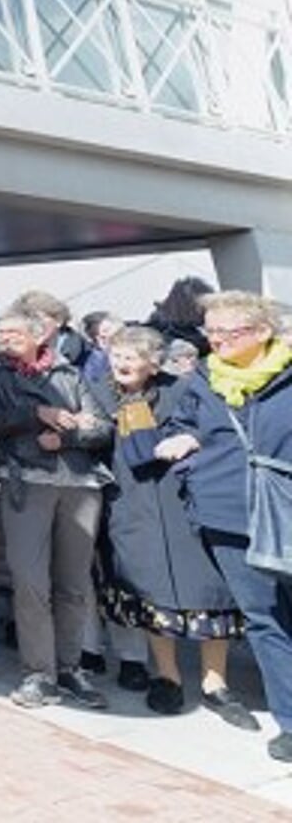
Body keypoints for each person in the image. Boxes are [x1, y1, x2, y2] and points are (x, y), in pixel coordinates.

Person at [87, 326, 252, 726]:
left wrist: (191, 439)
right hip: (130, 506)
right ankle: (168, 677)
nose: (123, 363)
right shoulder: (97, 392)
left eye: (133, 356)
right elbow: (90, 438)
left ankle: (216, 684)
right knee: (149, 591)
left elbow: (210, 428)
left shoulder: (183, 387)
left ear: (154, 360)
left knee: (211, 591)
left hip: (185, 502)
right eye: (117, 355)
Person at [153, 290, 292, 761]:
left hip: (287, 511)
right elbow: (178, 424)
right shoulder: (203, 379)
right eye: (210, 331)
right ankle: (289, 720)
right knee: (264, 618)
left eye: (228, 332)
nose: (216, 340)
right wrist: (186, 449)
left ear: (262, 332)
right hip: (228, 515)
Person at [0, 310, 112, 710]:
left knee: (73, 584)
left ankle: (70, 669)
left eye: (14, 332)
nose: (5, 338)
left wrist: (66, 439)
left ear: (39, 335)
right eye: (0, 332)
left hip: (81, 485)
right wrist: (36, 414)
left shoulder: (69, 372)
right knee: (31, 582)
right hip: (27, 481)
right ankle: (38, 674)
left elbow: (102, 426)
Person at [148, 276, 215, 358]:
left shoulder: (180, 322)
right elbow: (192, 346)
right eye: (202, 306)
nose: (206, 310)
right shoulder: (166, 326)